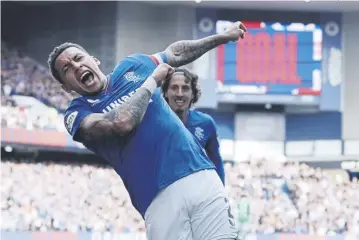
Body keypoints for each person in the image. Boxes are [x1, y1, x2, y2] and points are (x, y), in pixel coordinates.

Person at [48, 21, 246, 240]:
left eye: (78, 58)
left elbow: (175, 53)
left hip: (200, 175)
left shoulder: (132, 66)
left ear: (94, 60)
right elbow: (121, 123)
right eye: (67, 69)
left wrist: (221, 38)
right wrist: (152, 82)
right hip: (158, 198)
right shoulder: (77, 113)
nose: (76, 67)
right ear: (66, 87)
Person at [161, 68, 225, 185]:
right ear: (165, 92)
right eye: (174, 88)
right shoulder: (155, 123)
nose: (179, 93)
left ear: (193, 94)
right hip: (164, 195)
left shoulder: (206, 123)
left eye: (185, 88)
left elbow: (216, 161)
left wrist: (221, 193)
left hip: (195, 194)